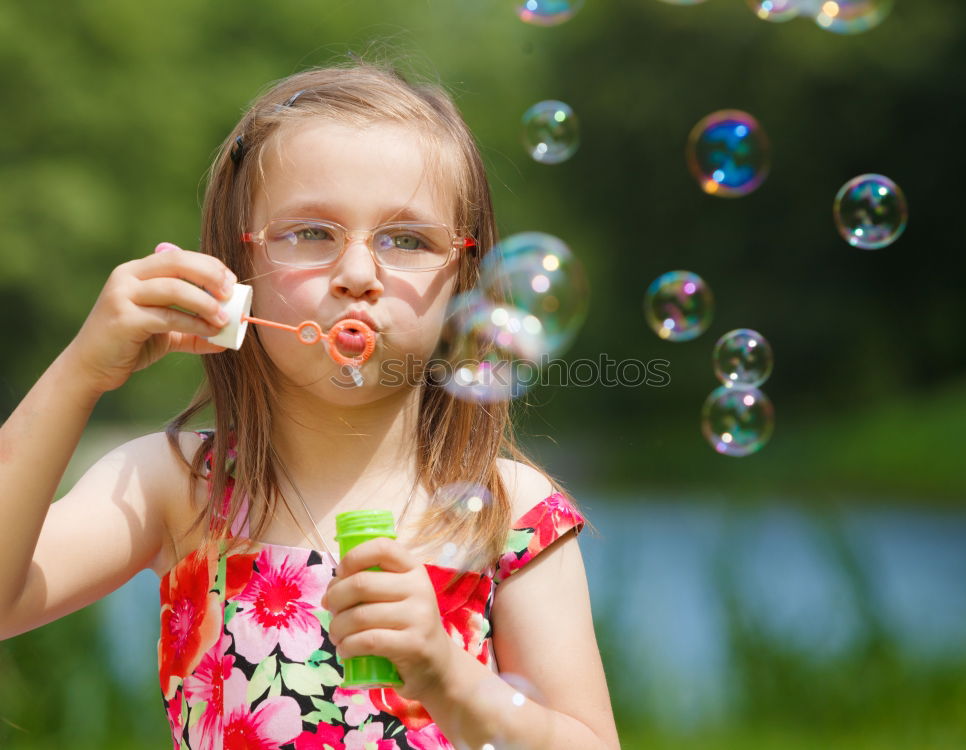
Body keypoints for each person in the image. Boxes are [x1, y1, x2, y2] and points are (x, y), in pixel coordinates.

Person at [0, 61, 619, 750]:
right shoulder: (179, 487)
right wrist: (80, 373)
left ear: (465, 281)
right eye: (312, 234)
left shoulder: (511, 515)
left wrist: (451, 680)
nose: (357, 275)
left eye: (407, 241)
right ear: (241, 270)